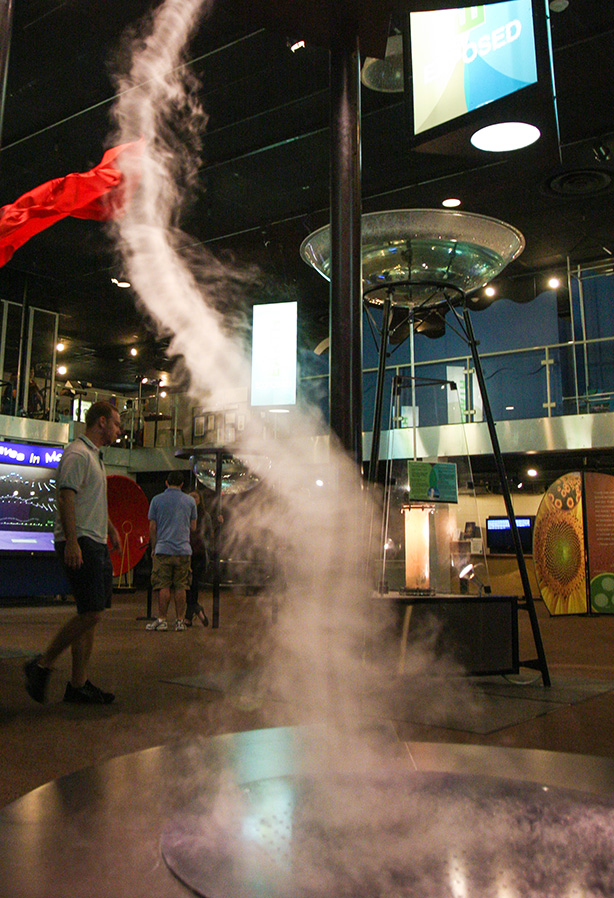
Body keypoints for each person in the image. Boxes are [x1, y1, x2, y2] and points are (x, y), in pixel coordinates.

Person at [24, 400, 122, 704]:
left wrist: (110, 529)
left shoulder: (95, 457)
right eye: (117, 423)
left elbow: (86, 501)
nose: (120, 430)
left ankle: (78, 685)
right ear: (102, 422)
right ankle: (41, 664)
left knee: (90, 614)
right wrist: (72, 542)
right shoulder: (78, 453)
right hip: (81, 541)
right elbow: (66, 499)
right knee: (91, 611)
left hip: (94, 540)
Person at [146, 470, 196, 632]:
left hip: (163, 549)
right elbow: (193, 527)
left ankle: (162, 619)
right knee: (181, 586)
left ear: (166, 483)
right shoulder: (190, 501)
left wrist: (154, 546)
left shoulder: (156, 500)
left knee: (163, 585)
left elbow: (152, 527)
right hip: (183, 550)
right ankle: (180, 621)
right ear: (182, 484)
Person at [184, 490, 212, 627]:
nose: (192, 499)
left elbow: (209, 535)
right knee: (188, 586)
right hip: (186, 552)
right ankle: (196, 611)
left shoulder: (204, 516)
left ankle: (190, 615)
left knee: (193, 584)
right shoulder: (185, 513)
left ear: (200, 500)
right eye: (190, 496)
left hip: (198, 554)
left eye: (195, 496)